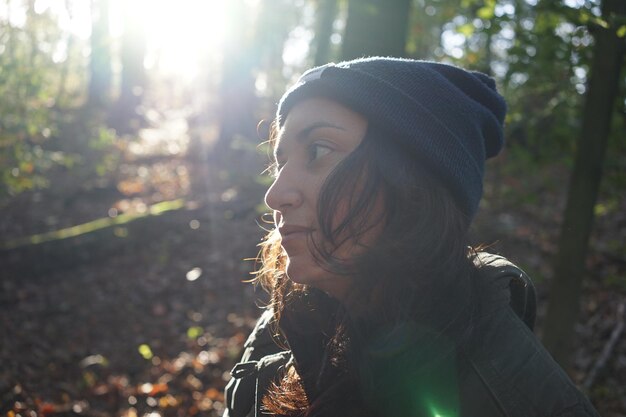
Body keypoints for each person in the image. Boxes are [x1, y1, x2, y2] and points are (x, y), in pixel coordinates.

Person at [222, 57, 599, 417]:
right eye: (280, 163)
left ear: (412, 185)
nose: (275, 195)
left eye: (318, 150)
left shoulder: (525, 401)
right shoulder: (282, 326)